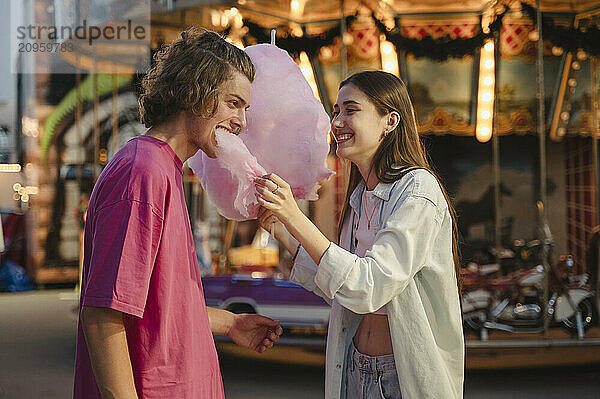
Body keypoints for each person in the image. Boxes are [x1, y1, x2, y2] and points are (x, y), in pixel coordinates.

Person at [74, 28, 282, 399]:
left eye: (245, 108)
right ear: (196, 92)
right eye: (233, 103)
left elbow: (160, 304)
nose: (242, 122)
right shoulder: (142, 172)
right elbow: (103, 314)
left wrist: (230, 322)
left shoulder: (163, 168)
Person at [255, 70, 464, 398]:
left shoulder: (418, 191)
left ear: (389, 121)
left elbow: (370, 286)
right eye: (336, 111)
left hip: (399, 375)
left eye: (350, 110)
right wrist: (281, 230)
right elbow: (341, 286)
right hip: (354, 364)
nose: (336, 122)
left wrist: (294, 215)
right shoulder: (358, 199)